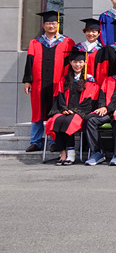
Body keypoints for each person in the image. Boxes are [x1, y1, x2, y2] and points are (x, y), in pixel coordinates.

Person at [22, 11, 75, 152]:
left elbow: (69, 64)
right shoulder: (35, 42)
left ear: (58, 24)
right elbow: (29, 62)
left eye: (53, 23)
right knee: (37, 112)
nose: (51, 26)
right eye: (48, 23)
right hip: (38, 84)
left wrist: (67, 82)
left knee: (55, 111)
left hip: (58, 84)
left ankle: (54, 141)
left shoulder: (67, 42)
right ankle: (35, 142)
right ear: (43, 25)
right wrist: (27, 81)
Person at [45, 48, 98, 165]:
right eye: (75, 62)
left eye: (80, 62)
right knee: (56, 120)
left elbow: (89, 99)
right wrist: (64, 109)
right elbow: (59, 96)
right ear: (70, 63)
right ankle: (62, 153)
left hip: (80, 112)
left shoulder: (89, 79)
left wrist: (73, 111)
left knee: (68, 122)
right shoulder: (64, 79)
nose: (77, 65)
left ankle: (71, 154)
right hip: (64, 110)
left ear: (84, 63)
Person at [74, 17, 103, 82]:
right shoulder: (77, 48)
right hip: (78, 82)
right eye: (88, 31)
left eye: (94, 31)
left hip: (96, 82)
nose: (90, 34)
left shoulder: (103, 50)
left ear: (99, 33)